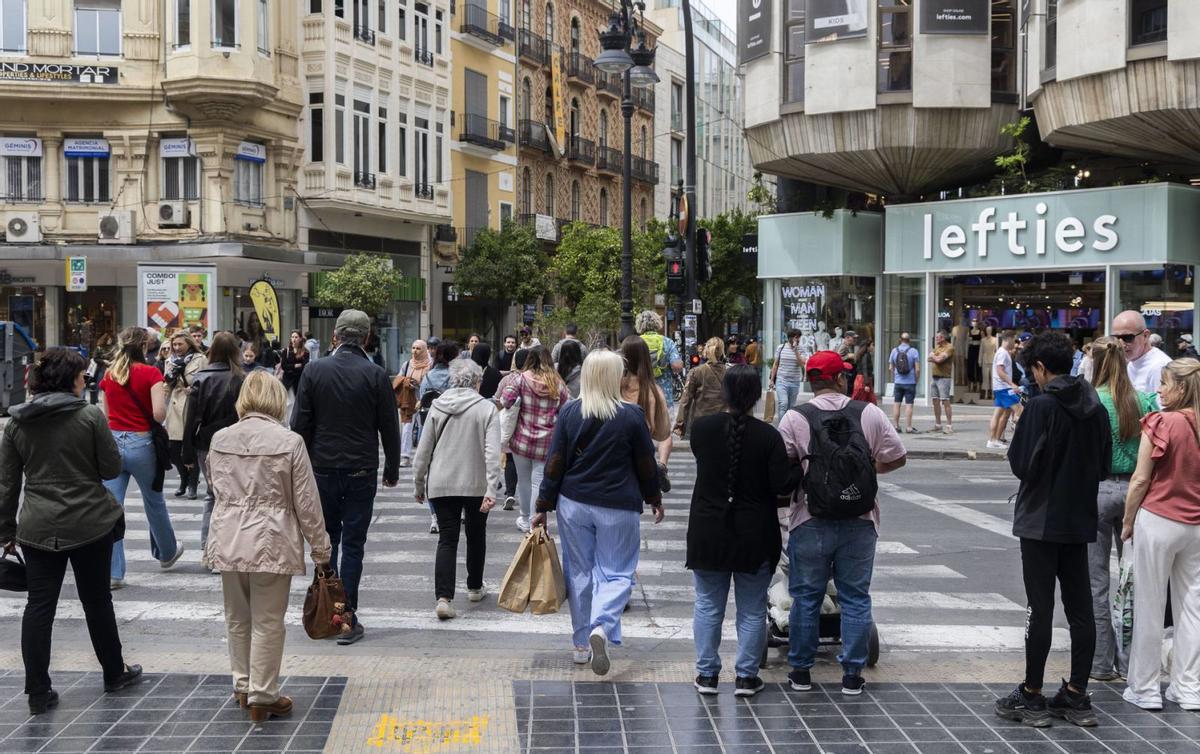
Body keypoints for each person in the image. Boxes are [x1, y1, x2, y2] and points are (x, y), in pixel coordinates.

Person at [0, 348, 143, 714]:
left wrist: (6, 531)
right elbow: (111, 468)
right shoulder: (89, 416)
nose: (85, 381)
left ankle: (38, 691)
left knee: (39, 606)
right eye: (81, 376)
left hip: (38, 525)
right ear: (69, 380)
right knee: (97, 600)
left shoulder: (16, 423)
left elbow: (7, 485)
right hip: (90, 522)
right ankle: (114, 672)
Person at [995, 331, 1110, 729]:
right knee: (1081, 609)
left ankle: (1031, 694)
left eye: (1033, 371)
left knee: (1039, 609)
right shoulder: (1095, 407)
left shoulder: (1042, 407)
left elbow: (1021, 464)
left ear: (1041, 368)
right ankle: (1077, 694)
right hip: (1080, 518)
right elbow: (1104, 465)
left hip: (1041, 520)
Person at [206, 371, 332, 722]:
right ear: (277, 400)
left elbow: (215, 485)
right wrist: (321, 550)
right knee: (268, 620)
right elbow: (307, 502)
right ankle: (263, 695)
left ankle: (242, 685)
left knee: (237, 617)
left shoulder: (220, 438)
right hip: (271, 539)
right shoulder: (289, 442)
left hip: (229, 536)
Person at [779, 351, 906, 695]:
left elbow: (783, 467)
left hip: (810, 519)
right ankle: (852, 675)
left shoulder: (794, 417)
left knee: (806, 597)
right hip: (860, 519)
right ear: (839, 379)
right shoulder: (869, 413)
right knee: (855, 597)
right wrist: (867, 469)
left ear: (809, 381)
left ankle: (801, 673)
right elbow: (897, 457)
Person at [531, 350, 663, 675]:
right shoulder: (631, 416)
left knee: (579, 572)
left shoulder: (569, 412)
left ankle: (580, 645)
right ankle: (601, 626)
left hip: (573, 503)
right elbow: (646, 463)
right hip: (618, 505)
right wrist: (653, 497)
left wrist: (543, 505)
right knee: (617, 572)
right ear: (613, 377)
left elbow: (555, 461)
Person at [688, 365, 802, 697]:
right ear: (755, 396)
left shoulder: (702, 430)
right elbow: (782, 485)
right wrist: (800, 469)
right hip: (755, 534)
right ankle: (746, 677)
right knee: (751, 609)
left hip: (708, 531)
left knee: (708, 605)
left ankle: (707, 675)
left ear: (724, 392)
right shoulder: (768, 437)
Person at [290, 309, 401, 646]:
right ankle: (345, 615)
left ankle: (328, 610)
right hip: (360, 469)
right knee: (353, 544)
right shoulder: (376, 374)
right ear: (366, 338)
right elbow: (389, 427)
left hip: (321, 468)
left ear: (335, 336)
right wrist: (392, 469)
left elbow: (299, 425)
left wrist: (298, 469)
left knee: (327, 541)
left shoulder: (314, 370)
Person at [1120, 357, 1200, 712]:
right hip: (1196, 524)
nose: (1160, 390)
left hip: (1158, 519)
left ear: (1181, 388)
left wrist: (1127, 520)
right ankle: (1188, 687)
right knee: (1193, 608)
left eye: (1165, 383)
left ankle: (1145, 687)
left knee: (1150, 606)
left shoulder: (1162, 421)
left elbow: (1140, 479)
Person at [1088, 337, 1158, 682]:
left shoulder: (1091, 401)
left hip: (1097, 490)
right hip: (1135, 491)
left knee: (1096, 582)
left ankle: (1101, 663)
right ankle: (1132, 662)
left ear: (1095, 364)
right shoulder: (1142, 400)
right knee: (1135, 582)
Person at [412, 359, 502, 620]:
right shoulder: (486, 408)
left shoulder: (438, 406)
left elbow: (423, 450)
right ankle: (474, 587)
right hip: (475, 482)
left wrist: (419, 483)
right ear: (477, 382)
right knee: (476, 534)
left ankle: (443, 598)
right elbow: (492, 453)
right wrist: (492, 489)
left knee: (447, 539)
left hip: (442, 482)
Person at [99, 327, 184, 589]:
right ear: (144, 346)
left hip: (114, 443)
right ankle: (167, 553)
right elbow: (159, 414)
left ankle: (114, 573)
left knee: (112, 508)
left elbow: (106, 415)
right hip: (142, 443)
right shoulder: (151, 373)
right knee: (154, 501)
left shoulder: (110, 373)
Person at [183, 332, 245, 570]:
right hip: (236, 442)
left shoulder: (201, 378)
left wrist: (187, 451)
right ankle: (228, 548)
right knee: (233, 495)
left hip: (207, 441)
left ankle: (208, 546)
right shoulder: (240, 378)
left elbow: (191, 419)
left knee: (212, 494)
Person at [499, 346, 569, 533]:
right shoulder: (557, 383)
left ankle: (524, 517)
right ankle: (534, 520)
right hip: (546, 442)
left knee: (523, 480)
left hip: (521, 440)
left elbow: (505, 400)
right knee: (538, 481)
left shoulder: (520, 379)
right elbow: (566, 408)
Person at [636, 310, 683, 478]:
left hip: (639, 396)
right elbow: (677, 365)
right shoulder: (667, 342)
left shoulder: (636, 343)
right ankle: (662, 465)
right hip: (665, 396)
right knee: (664, 434)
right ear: (657, 324)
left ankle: (646, 467)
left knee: (642, 433)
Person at [418, 341, 458, 532]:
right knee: (454, 471)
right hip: (452, 429)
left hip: (431, 428)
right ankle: (455, 510)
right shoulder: (455, 377)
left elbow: (421, 400)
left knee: (432, 474)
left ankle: (435, 516)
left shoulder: (427, 376)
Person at [164, 332, 207, 500]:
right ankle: (183, 478)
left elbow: (206, 381)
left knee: (190, 447)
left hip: (192, 406)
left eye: (180, 344)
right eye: (174, 345)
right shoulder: (170, 361)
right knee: (173, 450)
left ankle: (192, 484)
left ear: (188, 343)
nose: (177, 348)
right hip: (175, 407)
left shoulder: (200, 359)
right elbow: (167, 385)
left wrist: (195, 390)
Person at [495, 349, 531, 512]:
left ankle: (510, 492)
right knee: (528, 464)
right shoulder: (535, 379)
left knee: (510, 458)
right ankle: (528, 498)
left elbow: (498, 399)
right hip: (528, 426)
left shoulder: (508, 379)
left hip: (511, 426)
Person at [619, 336, 671, 446]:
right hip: (642, 449)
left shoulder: (615, 386)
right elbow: (663, 432)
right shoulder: (654, 390)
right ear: (646, 358)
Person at [674, 337, 729, 438]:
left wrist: (680, 424)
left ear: (706, 350)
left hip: (701, 422)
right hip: (724, 422)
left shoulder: (696, 372)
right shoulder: (730, 372)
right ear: (722, 352)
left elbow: (686, 400)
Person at [393, 339, 432, 469]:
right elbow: (398, 378)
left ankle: (423, 457)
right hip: (408, 400)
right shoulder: (407, 364)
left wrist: (419, 384)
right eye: (413, 348)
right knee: (406, 428)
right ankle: (405, 457)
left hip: (424, 401)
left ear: (424, 350)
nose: (415, 351)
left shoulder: (430, 364)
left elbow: (431, 382)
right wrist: (406, 381)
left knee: (424, 428)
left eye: (418, 348)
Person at [1112, 311, 1172, 393]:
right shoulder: (1132, 362)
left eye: (1127, 338)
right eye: (1116, 338)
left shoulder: (1159, 367)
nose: (1121, 344)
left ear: (1145, 336)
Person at [988, 331, 1022, 449]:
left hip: (1000, 387)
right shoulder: (1003, 353)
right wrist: (1012, 384)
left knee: (997, 414)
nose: (1015, 343)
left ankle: (993, 440)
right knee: (1020, 410)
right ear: (1009, 339)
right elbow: (1000, 371)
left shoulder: (1002, 352)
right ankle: (1020, 438)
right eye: (1014, 340)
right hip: (1003, 388)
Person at [769, 330, 806, 423]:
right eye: (796, 337)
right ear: (790, 338)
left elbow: (801, 364)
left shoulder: (801, 349)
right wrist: (772, 380)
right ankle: (782, 427)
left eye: (799, 337)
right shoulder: (781, 347)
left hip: (794, 382)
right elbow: (776, 364)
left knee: (791, 407)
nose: (798, 339)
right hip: (782, 380)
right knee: (783, 404)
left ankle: (788, 426)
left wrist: (796, 350)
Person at [888, 332, 920, 433]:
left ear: (900, 340)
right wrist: (916, 380)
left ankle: (896, 426)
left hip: (898, 382)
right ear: (909, 340)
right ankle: (909, 427)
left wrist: (895, 377)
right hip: (910, 382)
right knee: (909, 405)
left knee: (897, 403)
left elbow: (890, 368)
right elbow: (917, 369)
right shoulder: (914, 351)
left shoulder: (894, 351)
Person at [928, 330, 955, 434]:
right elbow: (928, 358)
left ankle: (949, 425)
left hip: (944, 378)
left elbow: (939, 360)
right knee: (935, 400)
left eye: (938, 337)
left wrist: (934, 357)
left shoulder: (949, 347)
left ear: (943, 338)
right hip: (934, 377)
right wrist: (936, 357)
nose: (936, 339)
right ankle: (938, 424)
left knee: (945, 401)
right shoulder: (937, 347)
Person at [280, 330, 310, 400]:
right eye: (292, 337)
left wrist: (290, 367)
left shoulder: (305, 352)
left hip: (299, 380)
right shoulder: (286, 351)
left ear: (300, 339)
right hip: (288, 381)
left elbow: (304, 366)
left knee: (298, 400)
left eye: (296, 337)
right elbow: (284, 366)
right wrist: (294, 366)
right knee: (288, 402)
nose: (294, 339)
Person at [838, 331, 859, 397]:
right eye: (853, 338)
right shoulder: (843, 346)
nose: (855, 340)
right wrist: (848, 356)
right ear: (847, 338)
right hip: (846, 372)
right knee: (848, 388)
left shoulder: (850, 346)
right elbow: (837, 358)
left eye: (856, 338)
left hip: (851, 371)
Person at [980, 326, 999, 400]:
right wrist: (979, 360)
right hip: (985, 360)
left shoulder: (995, 339)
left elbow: (997, 351)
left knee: (993, 377)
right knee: (985, 377)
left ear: (991, 331)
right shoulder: (983, 340)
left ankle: (993, 394)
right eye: (987, 330)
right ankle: (986, 393)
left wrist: (998, 360)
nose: (988, 331)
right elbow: (981, 351)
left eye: (990, 330)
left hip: (993, 360)